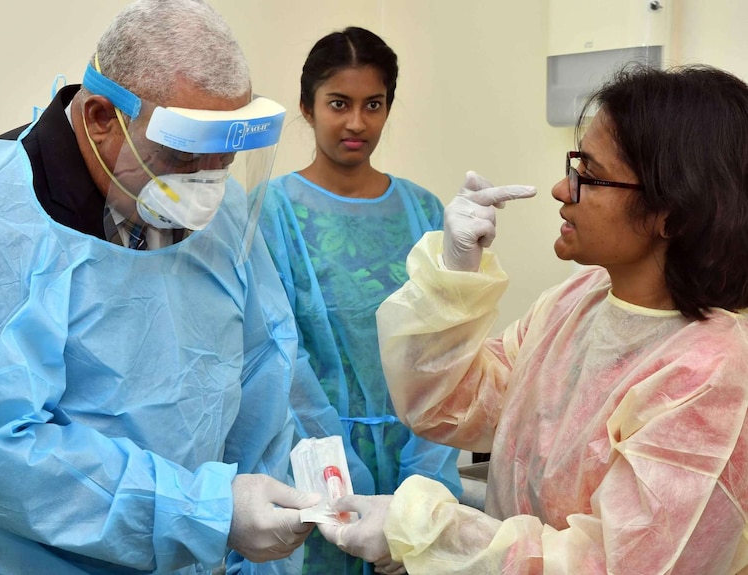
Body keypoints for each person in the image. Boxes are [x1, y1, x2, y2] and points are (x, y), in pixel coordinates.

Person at [0, 1, 321, 573]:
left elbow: (263, 371)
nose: (205, 188)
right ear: (99, 118)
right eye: (182, 157)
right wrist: (205, 513)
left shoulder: (222, 212)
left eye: (225, 161)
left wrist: (257, 535)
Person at [318, 64, 748, 574]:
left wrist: (431, 533)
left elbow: (613, 566)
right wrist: (454, 276)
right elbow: (449, 405)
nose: (562, 190)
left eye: (588, 175)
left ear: (671, 215)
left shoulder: (715, 375)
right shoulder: (578, 302)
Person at [258, 26, 462, 575]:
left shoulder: (424, 212)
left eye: (373, 105)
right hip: (307, 464)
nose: (356, 123)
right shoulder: (271, 213)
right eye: (338, 104)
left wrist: (423, 486)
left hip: (415, 452)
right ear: (307, 107)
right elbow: (280, 354)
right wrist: (336, 469)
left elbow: (443, 349)